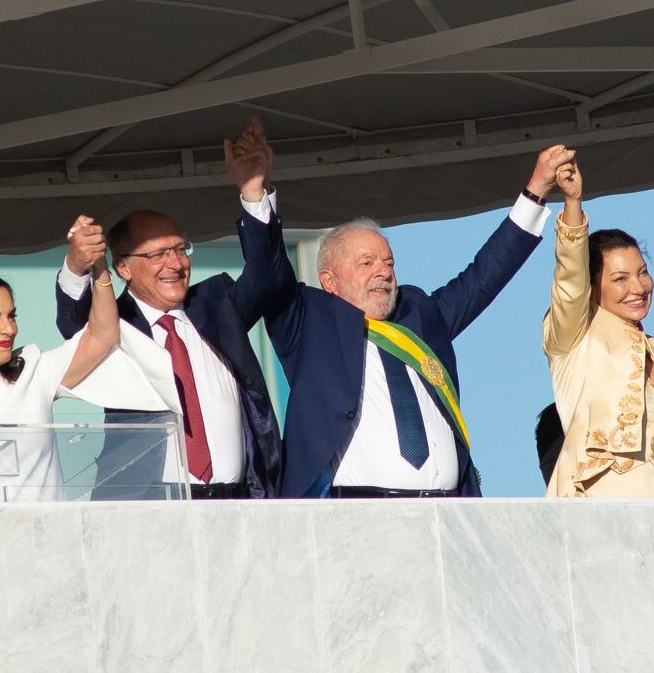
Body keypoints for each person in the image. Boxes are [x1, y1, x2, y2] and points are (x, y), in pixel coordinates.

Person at [239, 140, 574, 497]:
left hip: (447, 513)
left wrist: (536, 190)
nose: (382, 272)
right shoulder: (306, 322)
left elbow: (483, 276)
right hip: (354, 519)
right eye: (366, 264)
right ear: (329, 282)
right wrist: (255, 192)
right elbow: (269, 269)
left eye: (388, 263)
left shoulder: (420, 315)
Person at [55, 117, 288, 499]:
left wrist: (252, 191)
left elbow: (268, 277)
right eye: (159, 253)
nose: (176, 263)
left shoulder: (217, 305)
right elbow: (75, 325)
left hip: (239, 498)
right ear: (125, 267)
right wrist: (77, 265)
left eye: (181, 249)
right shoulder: (113, 326)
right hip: (149, 502)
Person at [0, 227, 178, 502]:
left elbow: (103, 334)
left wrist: (98, 266)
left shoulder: (33, 370)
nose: (9, 329)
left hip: (49, 543)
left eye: (11, 316)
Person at [542, 156, 654, 497]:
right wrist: (573, 202)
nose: (638, 287)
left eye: (642, 272)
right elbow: (569, 281)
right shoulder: (575, 335)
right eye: (620, 278)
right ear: (593, 287)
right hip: (601, 519)